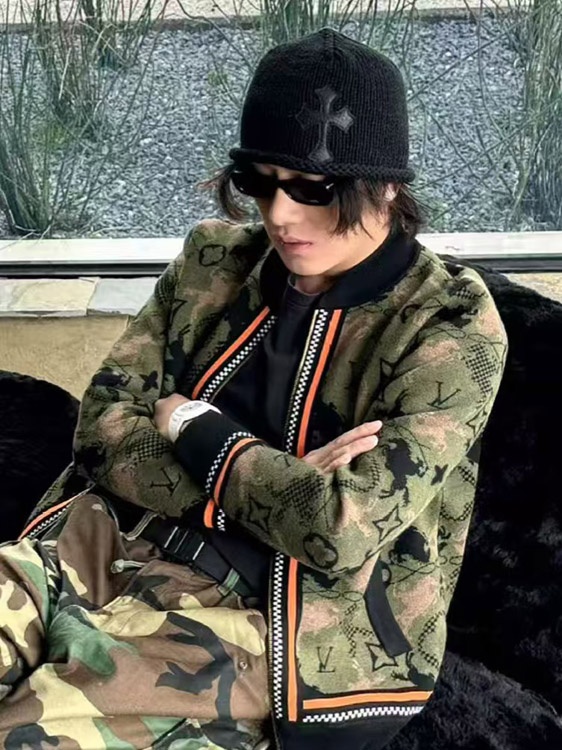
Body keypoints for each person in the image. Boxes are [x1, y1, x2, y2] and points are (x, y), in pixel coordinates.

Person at [0, 27, 508, 750]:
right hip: (93, 537)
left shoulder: (451, 326)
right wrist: (278, 485)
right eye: (260, 181)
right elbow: (101, 430)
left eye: (313, 189)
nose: (279, 214)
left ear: (388, 184)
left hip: (267, 615)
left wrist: (191, 425)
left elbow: (338, 529)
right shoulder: (213, 261)